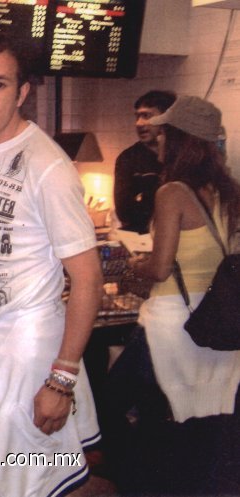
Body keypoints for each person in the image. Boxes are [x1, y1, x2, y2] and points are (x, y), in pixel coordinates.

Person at [0, 32, 103, 497]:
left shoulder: (47, 167)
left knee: (21, 485)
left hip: (27, 355)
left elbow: (88, 279)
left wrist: (62, 380)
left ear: (23, 92)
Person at [128, 95, 240, 494]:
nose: (156, 141)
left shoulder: (172, 193)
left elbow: (159, 268)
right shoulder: (230, 191)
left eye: (162, 135)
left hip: (174, 323)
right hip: (220, 324)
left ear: (180, 141)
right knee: (208, 426)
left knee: (116, 398)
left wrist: (131, 267)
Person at [114, 90, 176, 233]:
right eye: (137, 116)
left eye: (146, 116)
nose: (139, 123)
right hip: (141, 239)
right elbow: (124, 212)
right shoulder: (128, 158)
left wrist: (143, 198)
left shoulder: (183, 156)